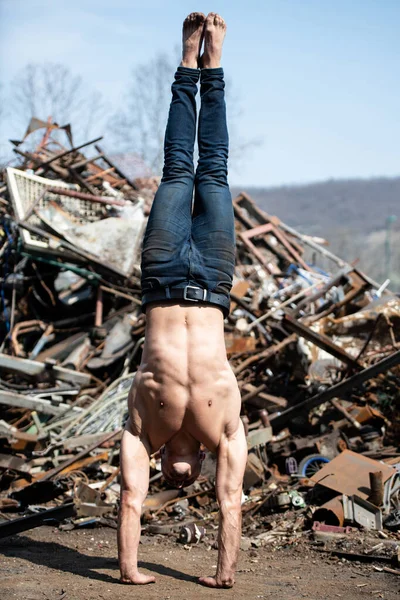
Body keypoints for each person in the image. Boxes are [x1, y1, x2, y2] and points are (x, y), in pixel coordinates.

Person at [118, 12, 247, 589]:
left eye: (171, 478)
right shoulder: (225, 432)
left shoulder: (144, 428)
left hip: (165, 274)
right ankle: (213, 62)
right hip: (216, 277)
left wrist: (128, 568)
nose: (179, 474)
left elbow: (128, 498)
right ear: (200, 466)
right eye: (186, 477)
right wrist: (223, 574)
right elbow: (232, 503)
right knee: (213, 171)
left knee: (177, 166)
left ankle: (185, 58)